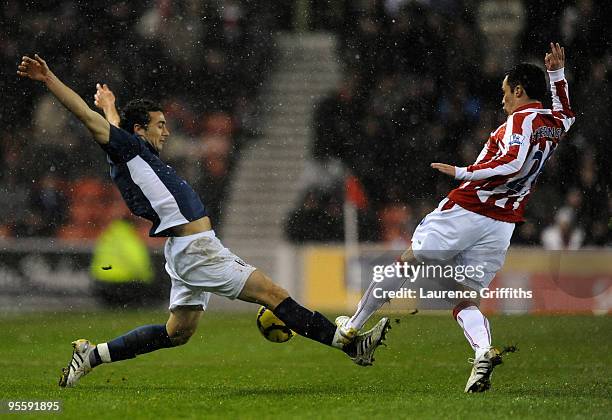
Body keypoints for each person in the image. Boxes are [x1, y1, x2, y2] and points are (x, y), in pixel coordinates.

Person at [17, 55, 391, 388]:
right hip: (197, 250)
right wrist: (50, 79)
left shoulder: (133, 149)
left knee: (177, 332)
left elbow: (114, 128)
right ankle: (350, 345)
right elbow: (86, 117)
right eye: (159, 124)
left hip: (187, 248)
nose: (166, 130)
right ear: (139, 131)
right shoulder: (129, 148)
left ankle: (93, 355)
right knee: (273, 294)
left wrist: (112, 106)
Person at [335, 43, 575, 392]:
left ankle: (352, 327)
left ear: (519, 90)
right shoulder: (553, 125)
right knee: (464, 296)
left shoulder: (517, 123)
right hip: (502, 223)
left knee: (408, 261)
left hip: (468, 209)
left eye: (506, 92)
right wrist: (557, 75)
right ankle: (482, 352)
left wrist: (463, 171)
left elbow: (513, 162)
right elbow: (567, 114)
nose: (503, 99)